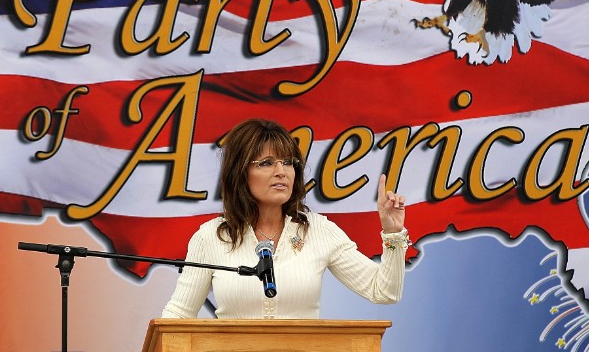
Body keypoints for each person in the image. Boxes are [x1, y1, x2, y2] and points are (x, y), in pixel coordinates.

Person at [161, 118, 410, 319]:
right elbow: (178, 315)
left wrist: (393, 234)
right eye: (267, 163)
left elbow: (383, 291)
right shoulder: (211, 237)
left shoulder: (319, 230)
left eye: (288, 163)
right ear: (240, 172)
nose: (281, 172)